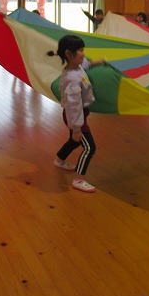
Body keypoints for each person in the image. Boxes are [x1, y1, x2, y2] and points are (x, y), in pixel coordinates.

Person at [47, 35, 106, 193]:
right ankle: (79, 180)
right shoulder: (72, 80)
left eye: (82, 49)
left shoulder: (77, 66)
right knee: (89, 147)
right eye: (80, 50)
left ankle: (59, 160)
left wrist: (98, 62)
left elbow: (85, 64)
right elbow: (74, 106)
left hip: (77, 114)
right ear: (68, 53)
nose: (83, 54)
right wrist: (77, 128)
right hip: (75, 117)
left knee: (74, 141)